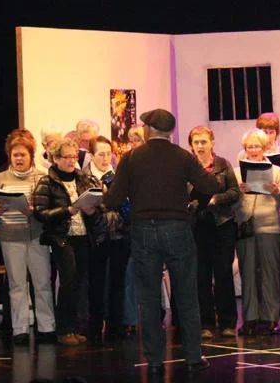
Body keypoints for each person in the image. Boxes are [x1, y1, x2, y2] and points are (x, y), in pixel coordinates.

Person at [104, 109, 218, 375]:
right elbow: (211, 185)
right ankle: (193, 357)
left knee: (149, 297)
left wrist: (107, 193)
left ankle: (154, 360)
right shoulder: (183, 156)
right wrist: (192, 200)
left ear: (148, 129)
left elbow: (114, 199)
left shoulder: (132, 157)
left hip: (144, 230)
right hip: (177, 228)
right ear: (170, 132)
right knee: (187, 294)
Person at [32, 138, 103, 346]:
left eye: (74, 157)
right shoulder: (47, 181)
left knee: (81, 282)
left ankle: (77, 327)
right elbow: (40, 212)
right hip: (62, 238)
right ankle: (64, 329)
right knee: (68, 282)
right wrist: (67, 211)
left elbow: (97, 206)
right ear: (55, 158)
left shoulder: (83, 179)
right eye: (67, 157)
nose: (72, 161)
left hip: (83, 236)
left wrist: (92, 210)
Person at [0, 129, 55, 345]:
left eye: (23, 155)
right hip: (10, 237)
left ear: (30, 156)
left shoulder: (41, 177)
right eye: (15, 155)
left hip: (36, 235)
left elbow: (49, 207)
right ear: (9, 156)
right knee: (17, 284)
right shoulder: (0, 178)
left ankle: (47, 327)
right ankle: (20, 329)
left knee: (42, 283)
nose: (18, 159)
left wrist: (35, 211)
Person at [188, 125, 240, 339]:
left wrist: (216, 199)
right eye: (196, 142)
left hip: (222, 224)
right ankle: (206, 323)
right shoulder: (188, 166)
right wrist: (192, 203)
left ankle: (228, 322)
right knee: (201, 275)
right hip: (197, 226)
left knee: (223, 274)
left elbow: (235, 192)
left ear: (212, 143)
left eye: (204, 141)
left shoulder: (222, 164)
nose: (200, 146)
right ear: (191, 145)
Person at [234, 128, 280, 336]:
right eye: (249, 147)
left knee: (269, 273)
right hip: (245, 226)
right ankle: (250, 318)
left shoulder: (276, 171)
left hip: (270, 226)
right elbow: (231, 203)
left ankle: (270, 318)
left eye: (257, 146)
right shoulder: (237, 172)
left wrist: (275, 191)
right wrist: (238, 192)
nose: (253, 150)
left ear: (264, 148)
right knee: (247, 273)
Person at [82, 136, 130, 343]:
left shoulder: (118, 175)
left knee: (118, 282)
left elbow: (125, 205)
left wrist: (108, 201)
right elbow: (87, 208)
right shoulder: (84, 177)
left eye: (108, 154)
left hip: (119, 234)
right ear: (91, 156)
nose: (105, 158)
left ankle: (115, 327)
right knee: (96, 283)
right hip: (96, 236)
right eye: (100, 154)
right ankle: (94, 326)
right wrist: (107, 203)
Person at [122, 125, 145, 336]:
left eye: (138, 140)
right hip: (131, 227)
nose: (134, 144)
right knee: (130, 274)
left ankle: (153, 316)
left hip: (151, 226)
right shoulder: (126, 163)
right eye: (132, 140)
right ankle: (130, 319)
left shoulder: (155, 164)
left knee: (151, 275)